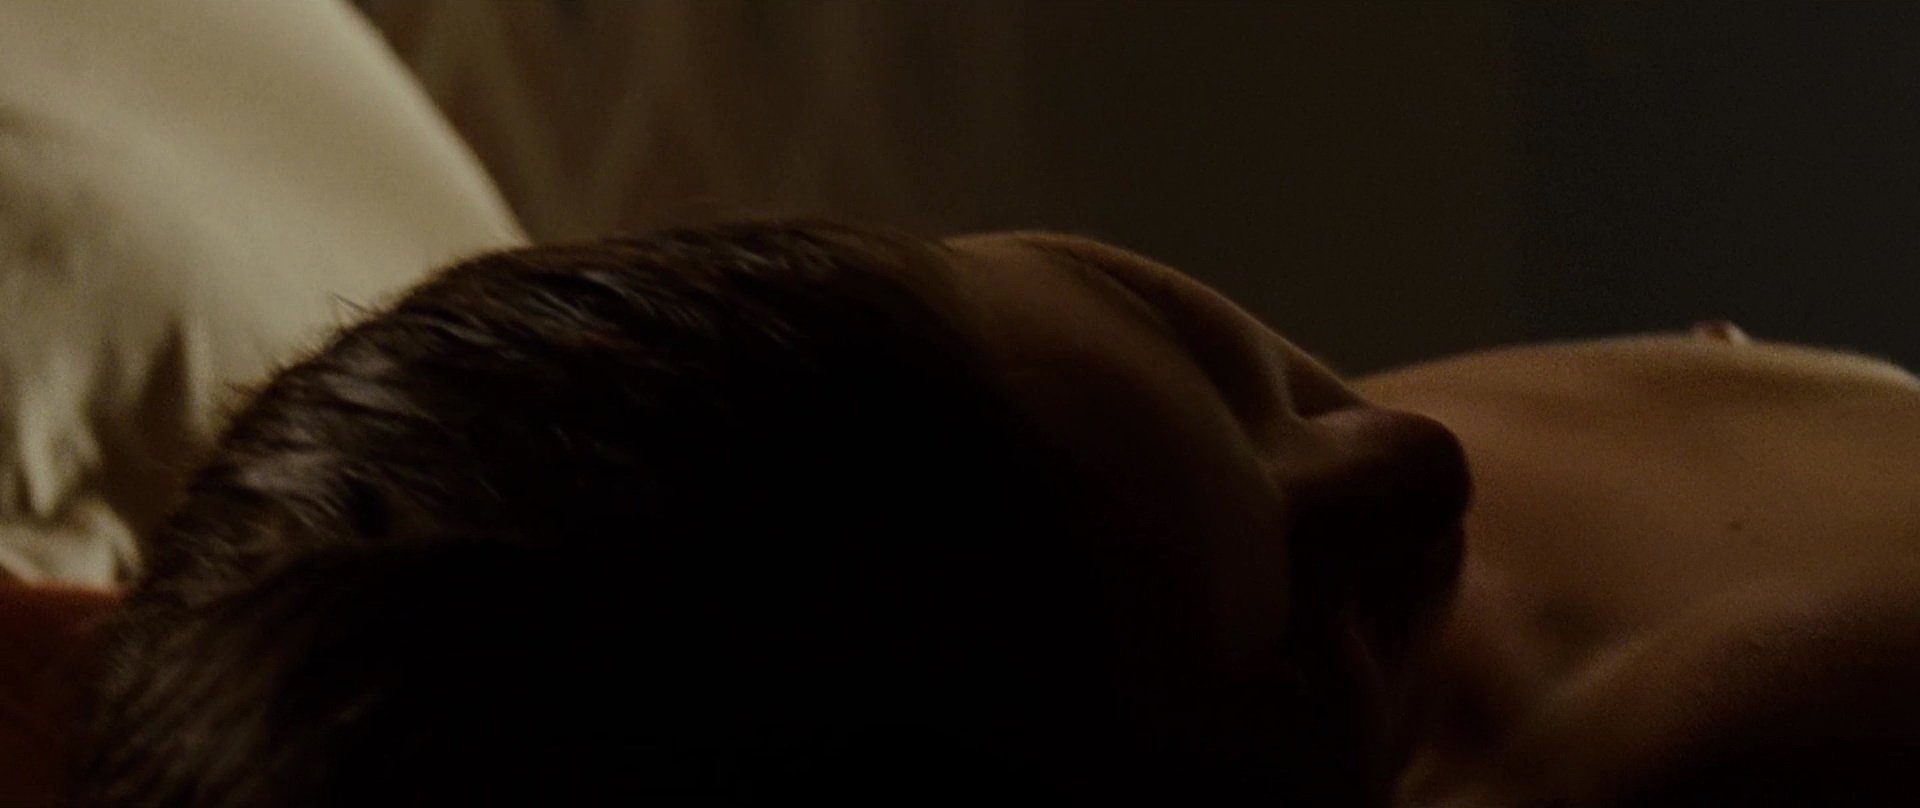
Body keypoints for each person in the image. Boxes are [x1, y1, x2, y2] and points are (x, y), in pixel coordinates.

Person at [38, 221, 1920, 804]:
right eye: (1315, 627)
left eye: (1173, 327)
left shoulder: (984, 485)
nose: (1411, 459)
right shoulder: (1769, 720)